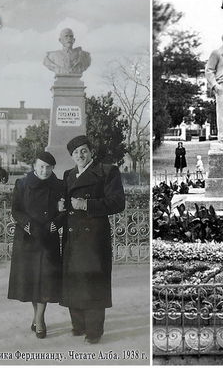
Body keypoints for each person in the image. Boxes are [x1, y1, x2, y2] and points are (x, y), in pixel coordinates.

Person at [61, 135, 125, 344]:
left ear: (91, 152)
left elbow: (117, 203)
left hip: (94, 238)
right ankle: (78, 325)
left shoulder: (107, 171)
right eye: (76, 152)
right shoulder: (68, 175)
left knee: (93, 283)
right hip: (72, 237)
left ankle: (94, 331)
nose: (80, 155)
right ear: (71, 156)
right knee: (74, 280)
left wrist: (87, 205)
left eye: (84, 151)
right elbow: (63, 202)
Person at [7, 152, 64, 339]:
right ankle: (37, 318)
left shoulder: (59, 185)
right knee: (33, 282)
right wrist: (29, 225)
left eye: (48, 167)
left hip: (49, 238)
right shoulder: (22, 184)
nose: (44, 170)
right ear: (34, 165)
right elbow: (16, 210)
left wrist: (56, 223)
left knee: (45, 281)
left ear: (53, 168)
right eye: (41, 166)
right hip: (28, 238)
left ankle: (39, 320)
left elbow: (66, 210)